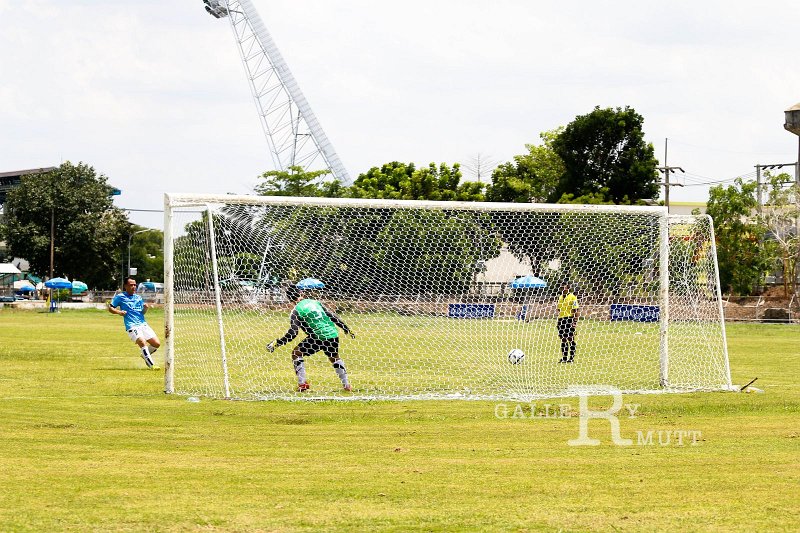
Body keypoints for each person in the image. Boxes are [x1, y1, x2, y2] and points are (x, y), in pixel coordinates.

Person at [267, 285, 355, 392]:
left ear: (289, 299)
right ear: (301, 293)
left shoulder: (296, 310)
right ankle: (347, 386)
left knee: (296, 353)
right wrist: (345, 328)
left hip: (318, 336)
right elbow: (331, 315)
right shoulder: (315, 302)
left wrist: (278, 342)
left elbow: (293, 333)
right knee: (334, 358)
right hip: (332, 333)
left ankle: (302, 384)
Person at [108, 277, 161, 369]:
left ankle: (144, 355)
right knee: (142, 342)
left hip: (143, 324)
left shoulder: (138, 297)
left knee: (156, 344)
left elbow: (142, 312)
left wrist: (145, 308)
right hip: (132, 325)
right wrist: (119, 312)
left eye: (134, 285)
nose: (133, 287)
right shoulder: (120, 297)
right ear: (125, 286)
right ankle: (151, 365)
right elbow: (110, 308)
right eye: (131, 285)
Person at [556, 283, 579, 363]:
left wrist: (574, 321)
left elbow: (576, 310)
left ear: (568, 288)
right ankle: (564, 358)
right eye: (561, 287)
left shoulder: (572, 297)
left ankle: (571, 358)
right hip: (561, 319)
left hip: (569, 319)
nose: (562, 289)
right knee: (563, 339)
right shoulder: (560, 297)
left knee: (570, 338)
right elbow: (559, 309)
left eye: (564, 287)